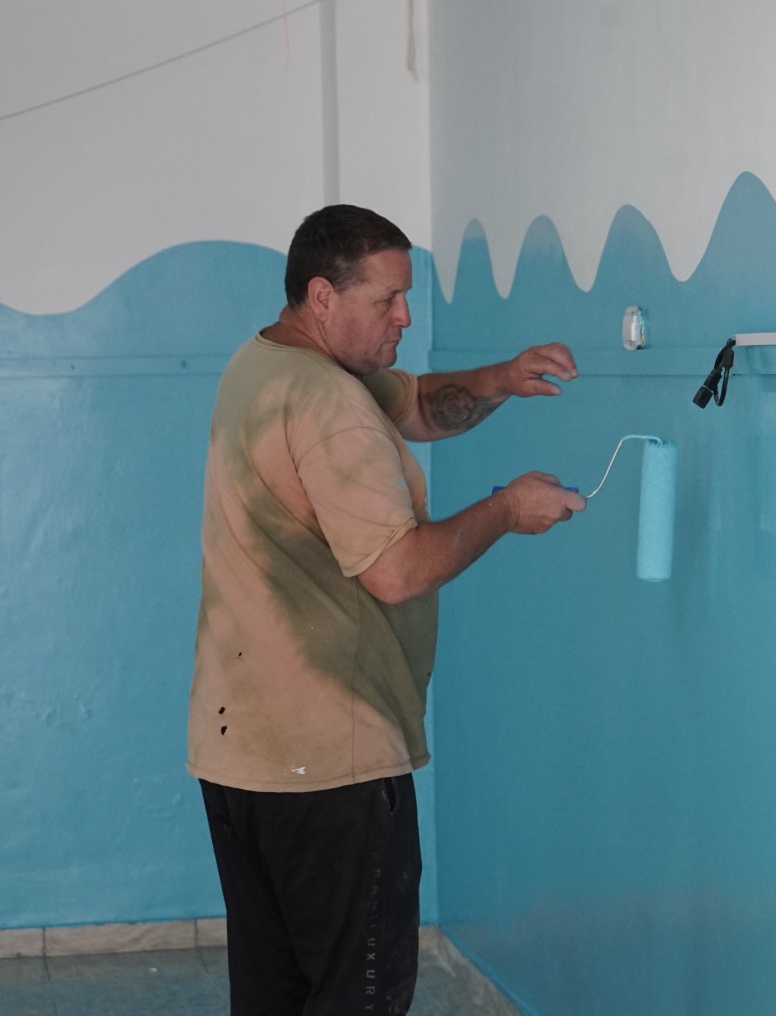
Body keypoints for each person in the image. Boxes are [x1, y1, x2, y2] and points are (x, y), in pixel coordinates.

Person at [187, 204, 585, 1015]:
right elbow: (398, 573)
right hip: (330, 761)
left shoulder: (266, 363)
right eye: (388, 300)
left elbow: (411, 405)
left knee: (273, 994)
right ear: (323, 297)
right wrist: (508, 509)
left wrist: (502, 378)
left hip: (244, 753)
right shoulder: (327, 404)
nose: (405, 316)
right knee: (357, 997)